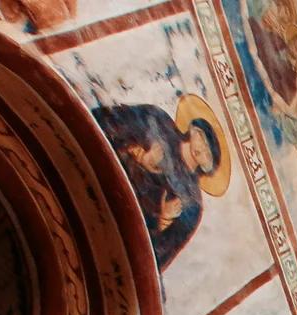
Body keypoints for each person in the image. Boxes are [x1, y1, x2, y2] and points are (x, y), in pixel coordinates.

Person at [92, 103, 224, 268]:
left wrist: (163, 218)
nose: (202, 149)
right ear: (193, 129)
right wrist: (136, 156)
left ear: (207, 166)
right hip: (97, 176)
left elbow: (156, 257)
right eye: (202, 139)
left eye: (208, 154)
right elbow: (105, 123)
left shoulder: (191, 202)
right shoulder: (159, 121)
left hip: (116, 230)